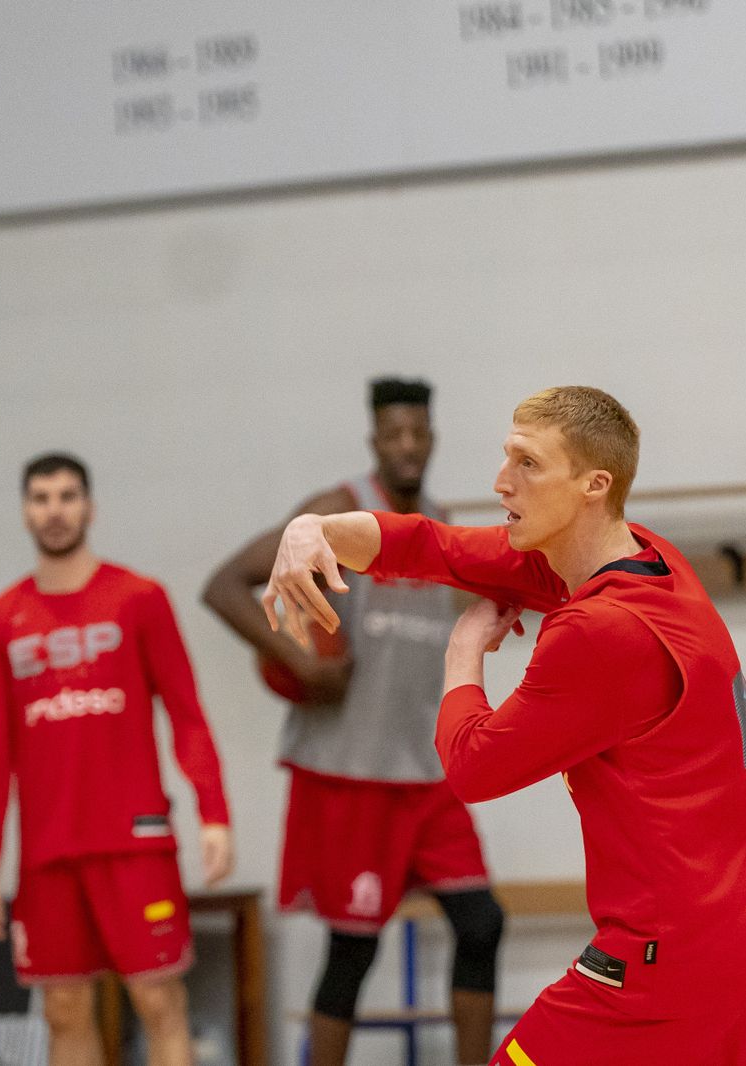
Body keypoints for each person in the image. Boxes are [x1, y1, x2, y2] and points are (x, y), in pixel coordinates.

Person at [262, 386, 746, 1066]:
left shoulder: (599, 630)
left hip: (671, 954)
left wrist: (463, 650)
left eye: (527, 464)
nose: (502, 481)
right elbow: (436, 547)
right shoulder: (648, 558)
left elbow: (472, 767)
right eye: (507, 457)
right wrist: (315, 530)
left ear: (594, 484)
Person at [203, 378, 506, 1066]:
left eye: (418, 433)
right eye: (394, 434)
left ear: (432, 438)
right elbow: (224, 585)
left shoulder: (440, 524)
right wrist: (297, 662)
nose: (407, 446)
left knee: (483, 923)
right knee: (353, 951)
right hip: (351, 772)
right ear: (374, 441)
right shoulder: (337, 513)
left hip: (427, 772)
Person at [0, 453, 234, 1066]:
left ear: (90, 507)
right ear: (25, 511)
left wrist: (213, 812)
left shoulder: (139, 598)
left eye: (67, 496)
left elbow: (188, 716)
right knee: (63, 1011)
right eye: (41, 498)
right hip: (48, 851)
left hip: (135, 840)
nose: (54, 510)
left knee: (160, 1001)